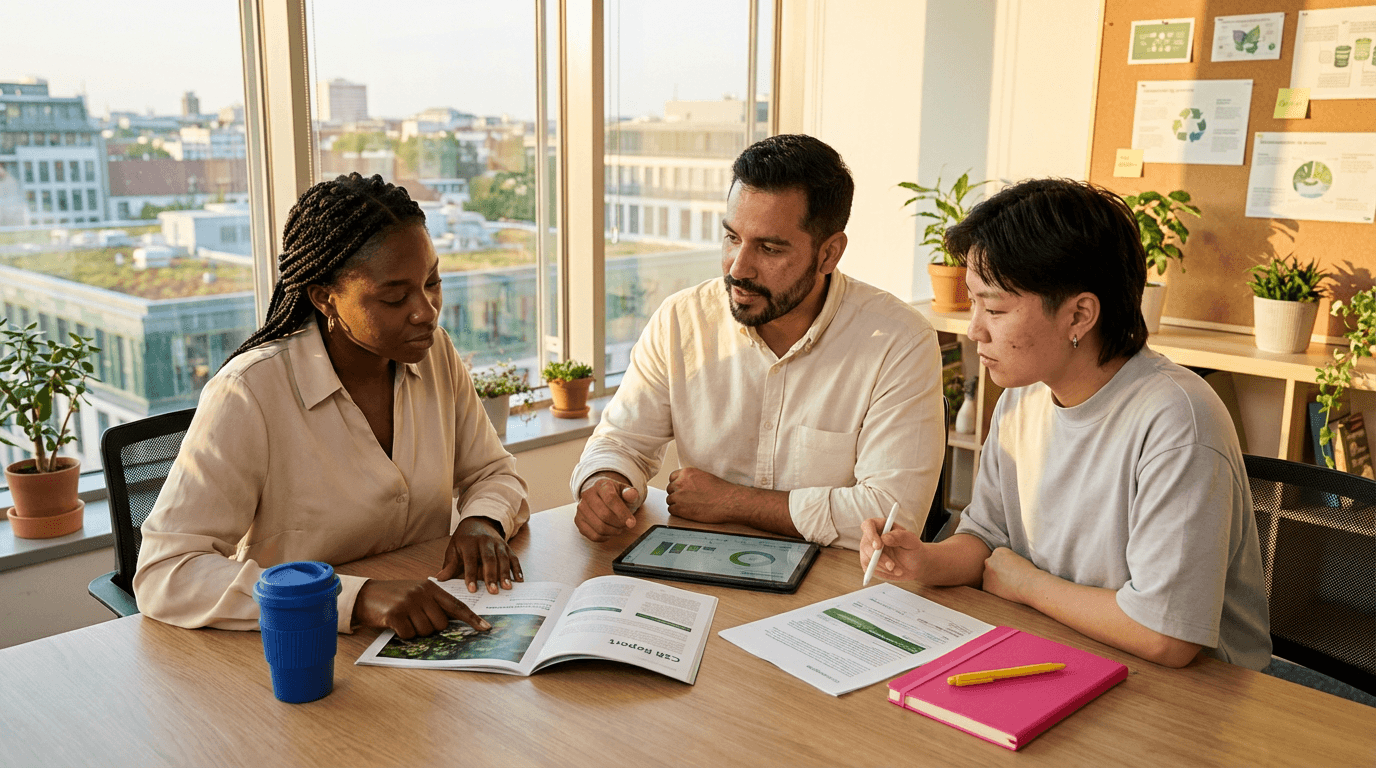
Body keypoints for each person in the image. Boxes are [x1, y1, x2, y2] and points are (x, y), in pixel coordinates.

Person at [859, 178, 1271, 669]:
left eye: (994, 308)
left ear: (1079, 315)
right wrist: (924, 561)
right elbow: (987, 540)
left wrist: (1029, 585)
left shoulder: (1177, 419)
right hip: (1067, 652)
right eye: (973, 304)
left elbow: (1166, 634)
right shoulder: (1025, 395)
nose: (975, 330)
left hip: (1198, 699)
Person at [135, 173, 530, 639]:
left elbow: (493, 473)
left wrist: (483, 521)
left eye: (432, 281)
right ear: (326, 298)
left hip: (423, 641)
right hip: (300, 653)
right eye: (395, 297)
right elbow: (167, 573)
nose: (426, 310)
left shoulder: (434, 353)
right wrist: (353, 597)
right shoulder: (249, 393)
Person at [571, 134, 945, 550]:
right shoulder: (682, 319)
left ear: (828, 254)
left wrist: (735, 502)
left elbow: (891, 517)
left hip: (829, 592)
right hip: (701, 571)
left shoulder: (899, 340)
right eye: (732, 238)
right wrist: (606, 481)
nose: (738, 268)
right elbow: (621, 441)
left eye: (768, 248)